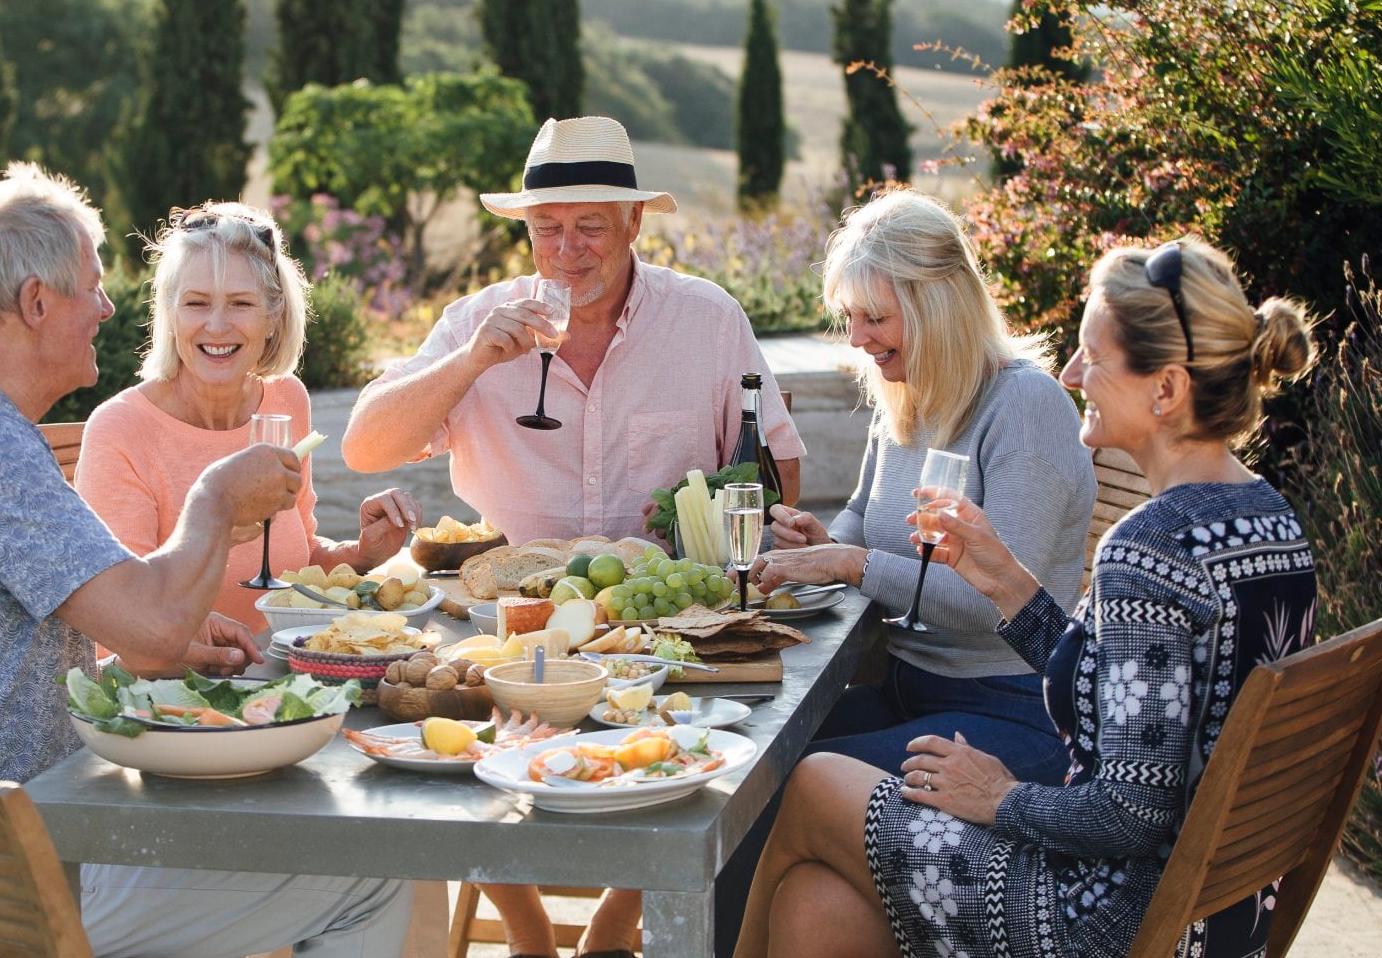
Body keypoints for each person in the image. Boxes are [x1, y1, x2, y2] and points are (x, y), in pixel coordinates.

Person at [0, 163, 410, 957]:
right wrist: (214, 499)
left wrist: (185, 619)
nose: (109, 309)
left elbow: (143, 617)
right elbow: (147, 632)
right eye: (92, 289)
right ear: (37, 304)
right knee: (378, 876)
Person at [736, 237, 1318, 957]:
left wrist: (1000, 797)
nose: (1073, 374)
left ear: (1164, 390)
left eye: (1093, 358)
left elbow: (1130, 815)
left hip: (1103, 918)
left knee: (815, 781)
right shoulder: (1270, 521)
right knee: (816, 906)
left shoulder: (1152, 547)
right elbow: (1129, 695)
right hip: (1215, 915)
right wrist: (1006, 582)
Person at [344, 116, 805, 958]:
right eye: (547, 227)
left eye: (591, 224)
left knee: (712, 733)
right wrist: (469, 364)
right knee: (453, 728)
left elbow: (777, 474)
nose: (567, 249)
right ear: (525, 231)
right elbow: (364, 444)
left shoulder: (705, 319)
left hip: (656, 620)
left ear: (634, 223)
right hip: (500, 622)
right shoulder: (478, 321)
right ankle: (525, 936)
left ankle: (611, 926)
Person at [712, 190, 1097, 954]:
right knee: (739, 768)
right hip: (909, 694)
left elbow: (996, 605)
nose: (857, 339)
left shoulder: (1024, 407)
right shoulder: (913, 398)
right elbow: (861, 518)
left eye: (874, 318)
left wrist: (852, 563)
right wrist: (819, 540)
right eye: (849, 317)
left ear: (937, 305)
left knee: (778, 790)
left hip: (1012, 718)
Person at [74, 202, 418, 637]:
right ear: (171, 314)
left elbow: (301, 558)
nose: (217, 326)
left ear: (273, 317)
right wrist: (214, 529)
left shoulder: (285, 399)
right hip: (182, 686)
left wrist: (362, 553)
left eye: (240, 303)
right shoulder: (120, 430)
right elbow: (122, 614)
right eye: (196, 303)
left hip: (291, 668)